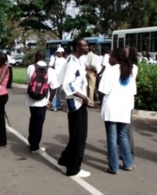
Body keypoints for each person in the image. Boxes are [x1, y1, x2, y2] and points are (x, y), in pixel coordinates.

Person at [99, 48, 137, 174]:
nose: (108, 59)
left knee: (112, 137)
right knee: (122, 135)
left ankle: (113, 167)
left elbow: (103, 90)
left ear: (115, 58)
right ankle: (129, 163)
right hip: (124, 107)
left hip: (112, 106)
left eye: (110, 56)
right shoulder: (129, 71)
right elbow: (133, 91)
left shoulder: (110, 71)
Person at [58, 37, 91, 177]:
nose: (87, 47)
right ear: (77, 47)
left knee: (76, 135)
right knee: (79, 137)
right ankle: (73, 169)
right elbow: (67, 84)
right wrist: (83, 97)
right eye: (84, 45)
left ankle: (66, 159)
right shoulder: (72, 62)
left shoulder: (76, 61)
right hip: (76, 103)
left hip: (78, 102)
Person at [26, 50, 59, 154]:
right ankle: (35, 147)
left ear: (36, 57)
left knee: (33, 120)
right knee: (39, 123)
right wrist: (49, 101)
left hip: (31, 99)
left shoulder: (31, 67)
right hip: (43, 100)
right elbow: (54, 88)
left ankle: (31, 142)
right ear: (45, 57)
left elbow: (29, 81)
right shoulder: (50, 70)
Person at [123, 45, 138, 157]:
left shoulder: (133, 67)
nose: (124, 53)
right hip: (121, 98)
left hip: (127, 98)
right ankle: (121, 151)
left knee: (126, 127)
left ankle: (129, 152)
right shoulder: (120, 65)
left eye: (126, 52)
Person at [0, 53, 9, 148]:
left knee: (0, 119)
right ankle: (0, 139)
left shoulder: (5, 68)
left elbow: (0, 80)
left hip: (1, 95)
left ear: (2, 60)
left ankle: (1, 141)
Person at [49, 47, 66, 111]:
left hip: (60, 78)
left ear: (62, 53)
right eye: (58, 52)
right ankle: (54, 106)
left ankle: (58, 105)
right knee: (54, 92)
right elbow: (50, 66)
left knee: (58, 92)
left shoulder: (64, 60)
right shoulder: (53, 58)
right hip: (54, 77)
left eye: (60, 52)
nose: (59, 53)